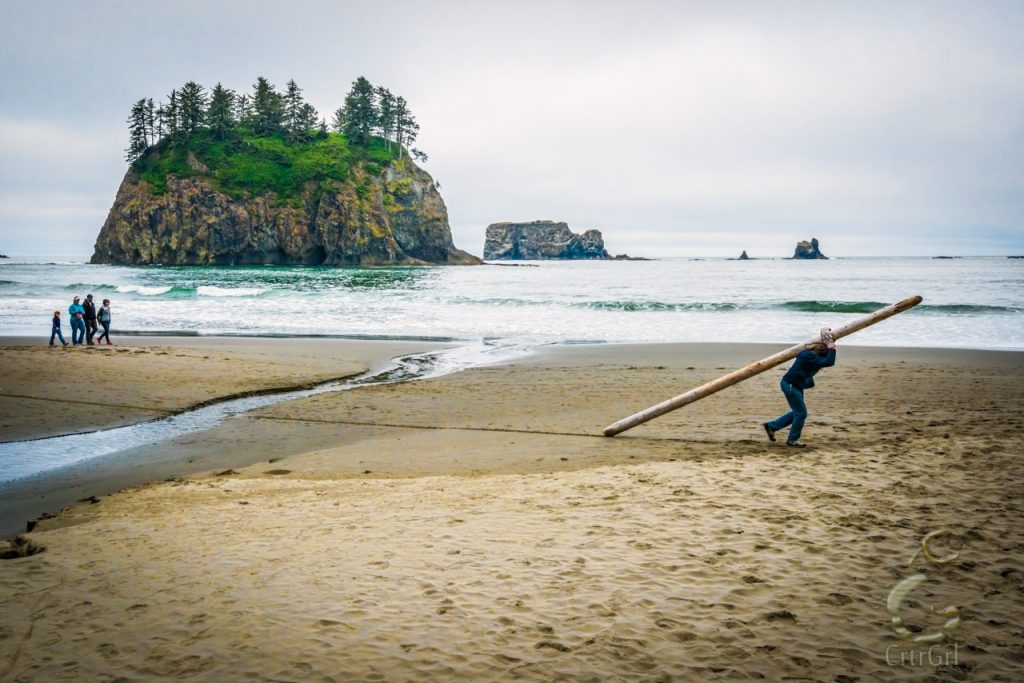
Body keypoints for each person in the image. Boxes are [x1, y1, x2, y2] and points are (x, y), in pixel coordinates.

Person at [763, 326, 837, 448]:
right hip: (790, 385)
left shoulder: (814, 356)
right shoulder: (809, 356)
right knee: (801, 413)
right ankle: (792, 440)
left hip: (796, 385)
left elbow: (828, 359)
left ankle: (771, 426)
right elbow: (829, 362)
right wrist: (831, 344)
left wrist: (829, 341)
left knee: (797, 412)